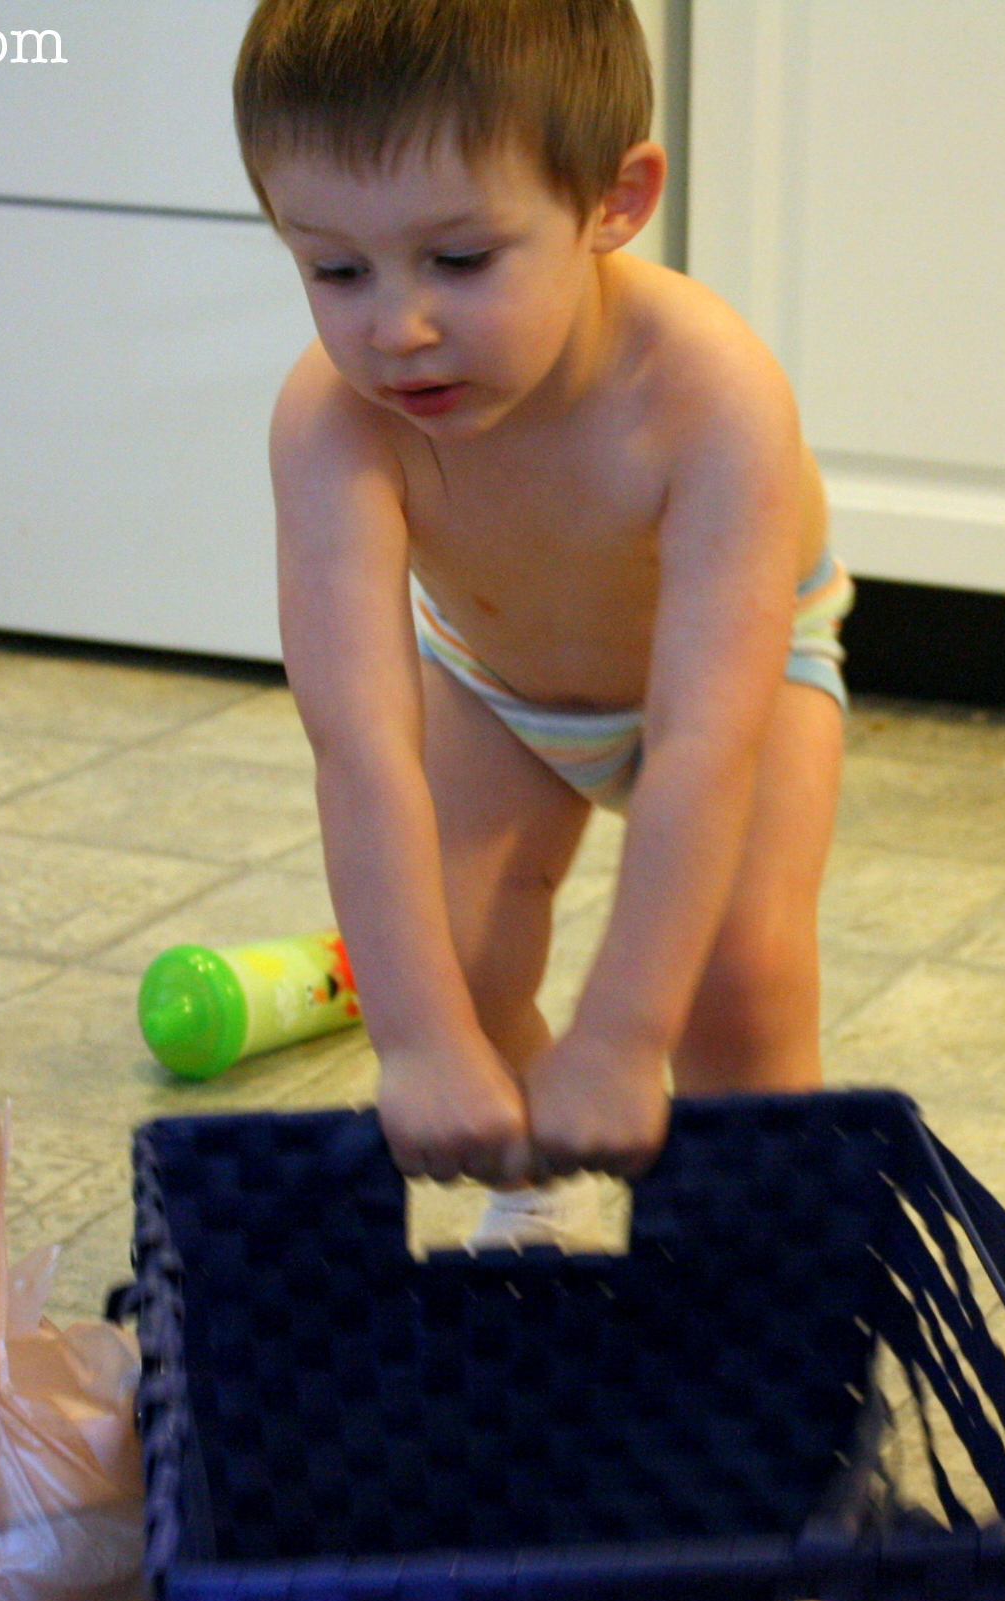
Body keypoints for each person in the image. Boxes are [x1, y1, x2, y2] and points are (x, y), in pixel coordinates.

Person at [234, 0, 849, 1201]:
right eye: (334, 268)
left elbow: (700, 744)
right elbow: (358, 746)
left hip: (740, 692)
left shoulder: (709, 393)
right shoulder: (331, 426)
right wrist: (421, 1045)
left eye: (459, 260)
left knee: (742, 977)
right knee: (452, 965)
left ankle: (762, 1280)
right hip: (495, 681)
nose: (396, 328)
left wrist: (620, 1036)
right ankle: (535, 1201)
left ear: (612, 202)